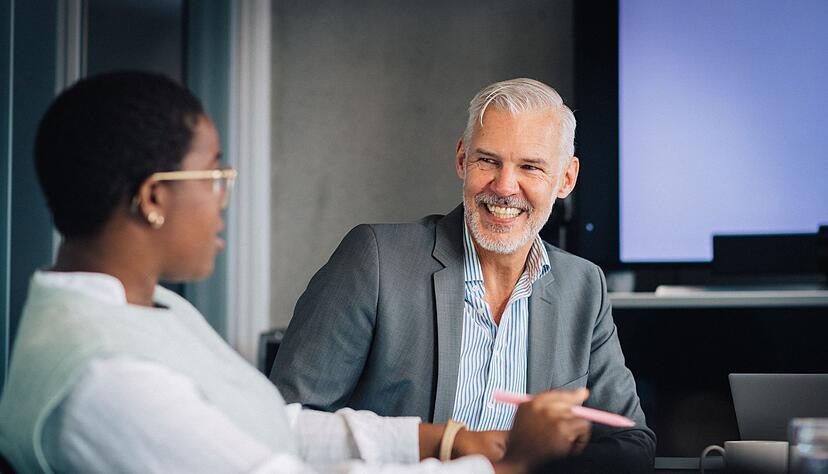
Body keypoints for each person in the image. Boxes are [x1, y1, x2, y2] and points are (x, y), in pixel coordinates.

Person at [0, 72, 594, 474]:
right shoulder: (108, 383)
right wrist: (507, 465)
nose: (224, 195)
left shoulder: (140, 312)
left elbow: (270, 425)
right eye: (214, 174)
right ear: (155, 197)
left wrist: (444, 441)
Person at [271, 78, 656, 471]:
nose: (505, 186)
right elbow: (281, 426)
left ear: (566, 180)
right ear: (461, 159)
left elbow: (632, 443)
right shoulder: (376, 261)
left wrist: (538, 458)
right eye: (488, 160)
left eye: (530, 167)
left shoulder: (584, 287)